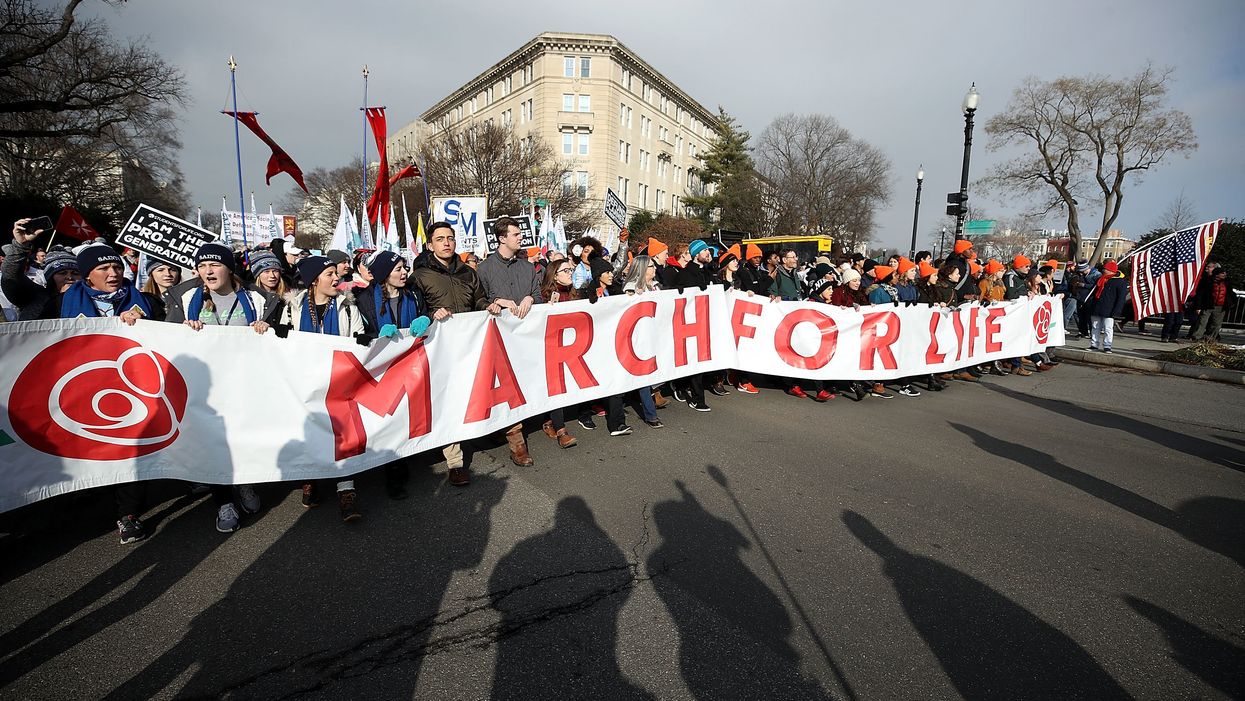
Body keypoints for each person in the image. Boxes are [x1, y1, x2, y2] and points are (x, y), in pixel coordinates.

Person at [166, 242, 274, 532]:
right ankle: (223, 501)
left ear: (229, 268)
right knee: (213, 445)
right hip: (205, 390)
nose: (208, 271)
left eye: (214, 265)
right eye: (202, 266)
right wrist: (180, 331)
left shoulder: (256, 299)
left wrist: (266, 329)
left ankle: (245, 484)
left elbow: (278, 343)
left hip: (244, 386)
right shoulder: (187, 298)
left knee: (243, 440)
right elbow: (163, 338)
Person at [276, 255, 367, 522]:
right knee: (311, 431)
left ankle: (346, 490)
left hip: (339, 380)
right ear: (314, 280)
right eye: (329, 274)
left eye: (335, 274)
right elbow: (280, 347)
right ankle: (311, 480)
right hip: (304, 381)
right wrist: (278, 335)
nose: (336, 278)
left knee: (343, 436)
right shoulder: (293, 308)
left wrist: (362, 339)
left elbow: (358, 336)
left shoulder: (347, 306)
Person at [410, 221, 491, 487]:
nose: (447, 243)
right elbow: (414, 312)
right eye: (441, 238)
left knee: (467, 394)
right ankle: (455, 462)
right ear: (430, 244)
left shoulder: (468, 272)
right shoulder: (420, 276)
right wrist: (431, 314)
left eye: (451, 238)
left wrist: (488, 306)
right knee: (446, 400)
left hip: (468, 344)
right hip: (438, 348)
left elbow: (478, 299)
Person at [353, 249, 432, 498]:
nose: (404, 273)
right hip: (381, 367)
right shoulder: (364, 299)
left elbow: (427, 314)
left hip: (410, 362)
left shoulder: (414, 295)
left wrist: (425, 320)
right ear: (384, 274)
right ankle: (392, 469)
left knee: (406, 412)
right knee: (387, 415)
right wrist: (375, 334)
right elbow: (357, 334)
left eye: (404, 268)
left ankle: (405, 457)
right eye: (398, 269)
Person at [476, 217, 544, 465]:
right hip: (499, 340)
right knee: (507, 388)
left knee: (531, 382)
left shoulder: (527, 268)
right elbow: (478, 302)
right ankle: (517, 444)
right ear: (502, 238)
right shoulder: (483, 269)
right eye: (516, 234)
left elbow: (538, 295)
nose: (521, 238)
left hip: (527, 338)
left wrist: (530, 299)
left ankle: (549, 422)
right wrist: (496, 303)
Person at [537, 259, 582, 447]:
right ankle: (561, 430)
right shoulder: (543, 297)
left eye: (571, 269)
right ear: (555, 275)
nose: (570, 273)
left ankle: (549, 420)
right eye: (566, 270)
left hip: (570, 347)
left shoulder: (574, 294)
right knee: (556, 388)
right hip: (551, 349)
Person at [2, 219, 80, 320]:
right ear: (50, 277)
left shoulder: (93, 299)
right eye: (62, 273)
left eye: (75, 273)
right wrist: (20, 245)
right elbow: (10, 277)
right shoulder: (34, 297)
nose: (69, 277)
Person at [671, 239, 715, 412]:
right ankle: (697, 398)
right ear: (697, 254)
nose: (708, 255)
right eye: (705, 252)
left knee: (700, 360)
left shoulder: (707, 271)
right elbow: (676, 292)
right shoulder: (685, 273)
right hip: (689, 323)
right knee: (694, 360)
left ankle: (682, 385)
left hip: (703, 321)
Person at [865, 265, 920, 397]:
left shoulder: (893, 290)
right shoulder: (878, 291)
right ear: (887, 278)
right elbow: (876, 311)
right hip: (882, 329)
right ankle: (878, 384)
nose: (897, 277)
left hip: (892, 327)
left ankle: (889, 382)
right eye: (894, 275)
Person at [1089, 260, 1127, 352]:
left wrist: (1117, 310)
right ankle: (1094, 344)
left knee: (1108, 328)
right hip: (1097, 306)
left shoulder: (1120, 282)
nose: (1103, 270)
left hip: (1109, 309)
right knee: (1095, 326)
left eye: (1105, 269)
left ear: (1110, 270)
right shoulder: (1100, 279)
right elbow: (1094, 293)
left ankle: (1107, 345)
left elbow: (1121, 298)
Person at [1190, 266, 1235, 342]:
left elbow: (1230, 293)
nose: (1224, 274)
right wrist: (1198, 307)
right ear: (1217, 274)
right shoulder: (1207, 281)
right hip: (1207, 305)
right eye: (1222, 273)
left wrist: (1231, 303)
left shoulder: (1227, 282)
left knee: (1216, 324)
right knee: (1202, 321)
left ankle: (1210, 338)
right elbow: (1200, 294)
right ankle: (1196, 337)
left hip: (1220, 306)